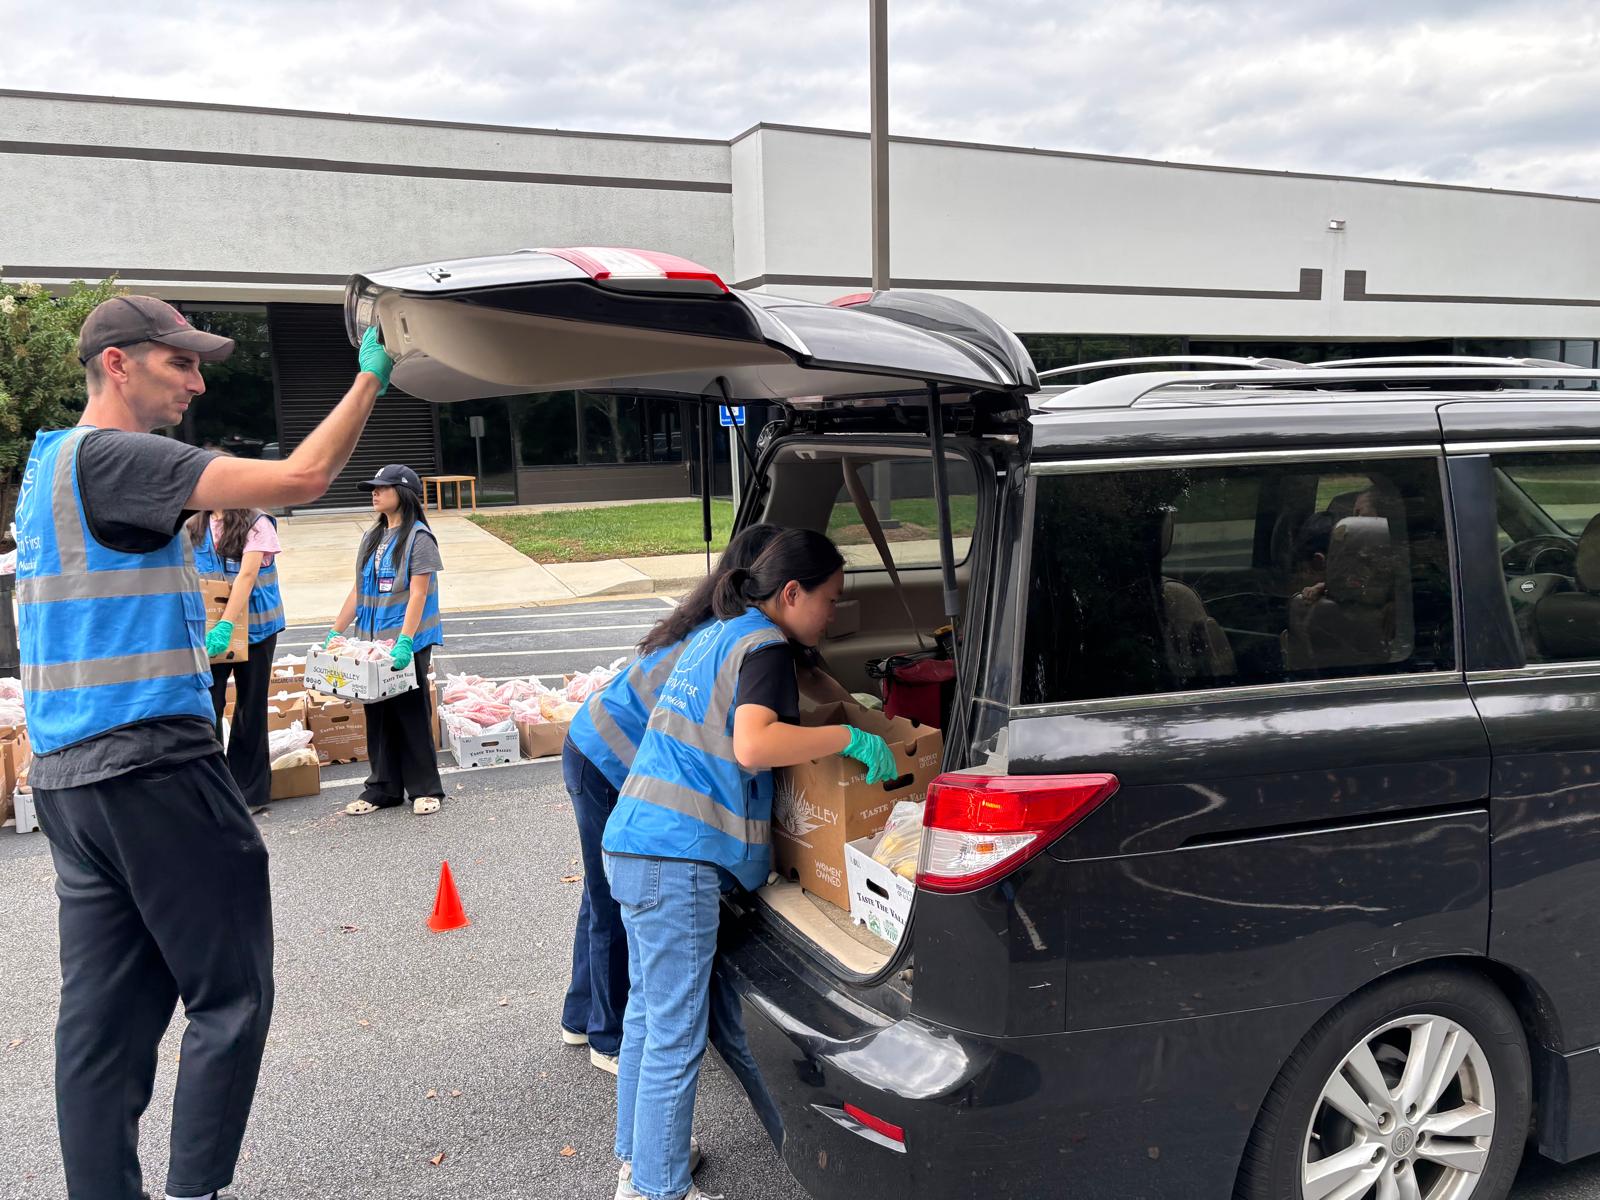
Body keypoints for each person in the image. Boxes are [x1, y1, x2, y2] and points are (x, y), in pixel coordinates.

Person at [16, 294, 395, 1200]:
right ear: (118, 363)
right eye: (178, 362)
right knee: (230, 998)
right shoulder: (117, 455)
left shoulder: (49, 467)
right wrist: (373, 374)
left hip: (72, 783)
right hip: (155, 769)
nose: (195, 380)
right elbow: (302, 478)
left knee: (103, 1028)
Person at [601, 529, 899, 1200]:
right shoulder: (763, 645)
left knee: (650, 1016)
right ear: (791, 593)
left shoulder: (719, 633)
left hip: (635, 845)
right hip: (676, 860)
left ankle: (638, 1159)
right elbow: (754, 743)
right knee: (676, 1035)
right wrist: (849, 736)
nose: (832, 614)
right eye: (829, 600)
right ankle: (656, 1189)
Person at [562, 526, 785, 1142]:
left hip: (604, 763)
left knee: (612, 907)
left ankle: (583, 1018)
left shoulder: (710, 624)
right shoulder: (731, 646)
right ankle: (602, 1037)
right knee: (622, 923)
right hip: (612, 765)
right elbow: (742, 743)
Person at [327, 464, 446, 817]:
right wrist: (337, 630)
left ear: (404, 492)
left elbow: (419, 595)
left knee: (410, 711)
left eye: (382, 487)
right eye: (372, 488)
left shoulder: (419, 538)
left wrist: (405, 642)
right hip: (370, 644)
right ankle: (383, 788)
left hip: (405, 642)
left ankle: (426, 789)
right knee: (376, 714)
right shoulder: (372, 537)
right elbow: (358, 590)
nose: (374, 493)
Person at [189, 496, 286, 810]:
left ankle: (250, 793)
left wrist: (227, 624)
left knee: (250, 707)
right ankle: (214, 790)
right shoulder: (194, 522)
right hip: (209, 634)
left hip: (256, 629)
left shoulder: (258, 522)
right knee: (208, 707)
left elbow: (247, 575)